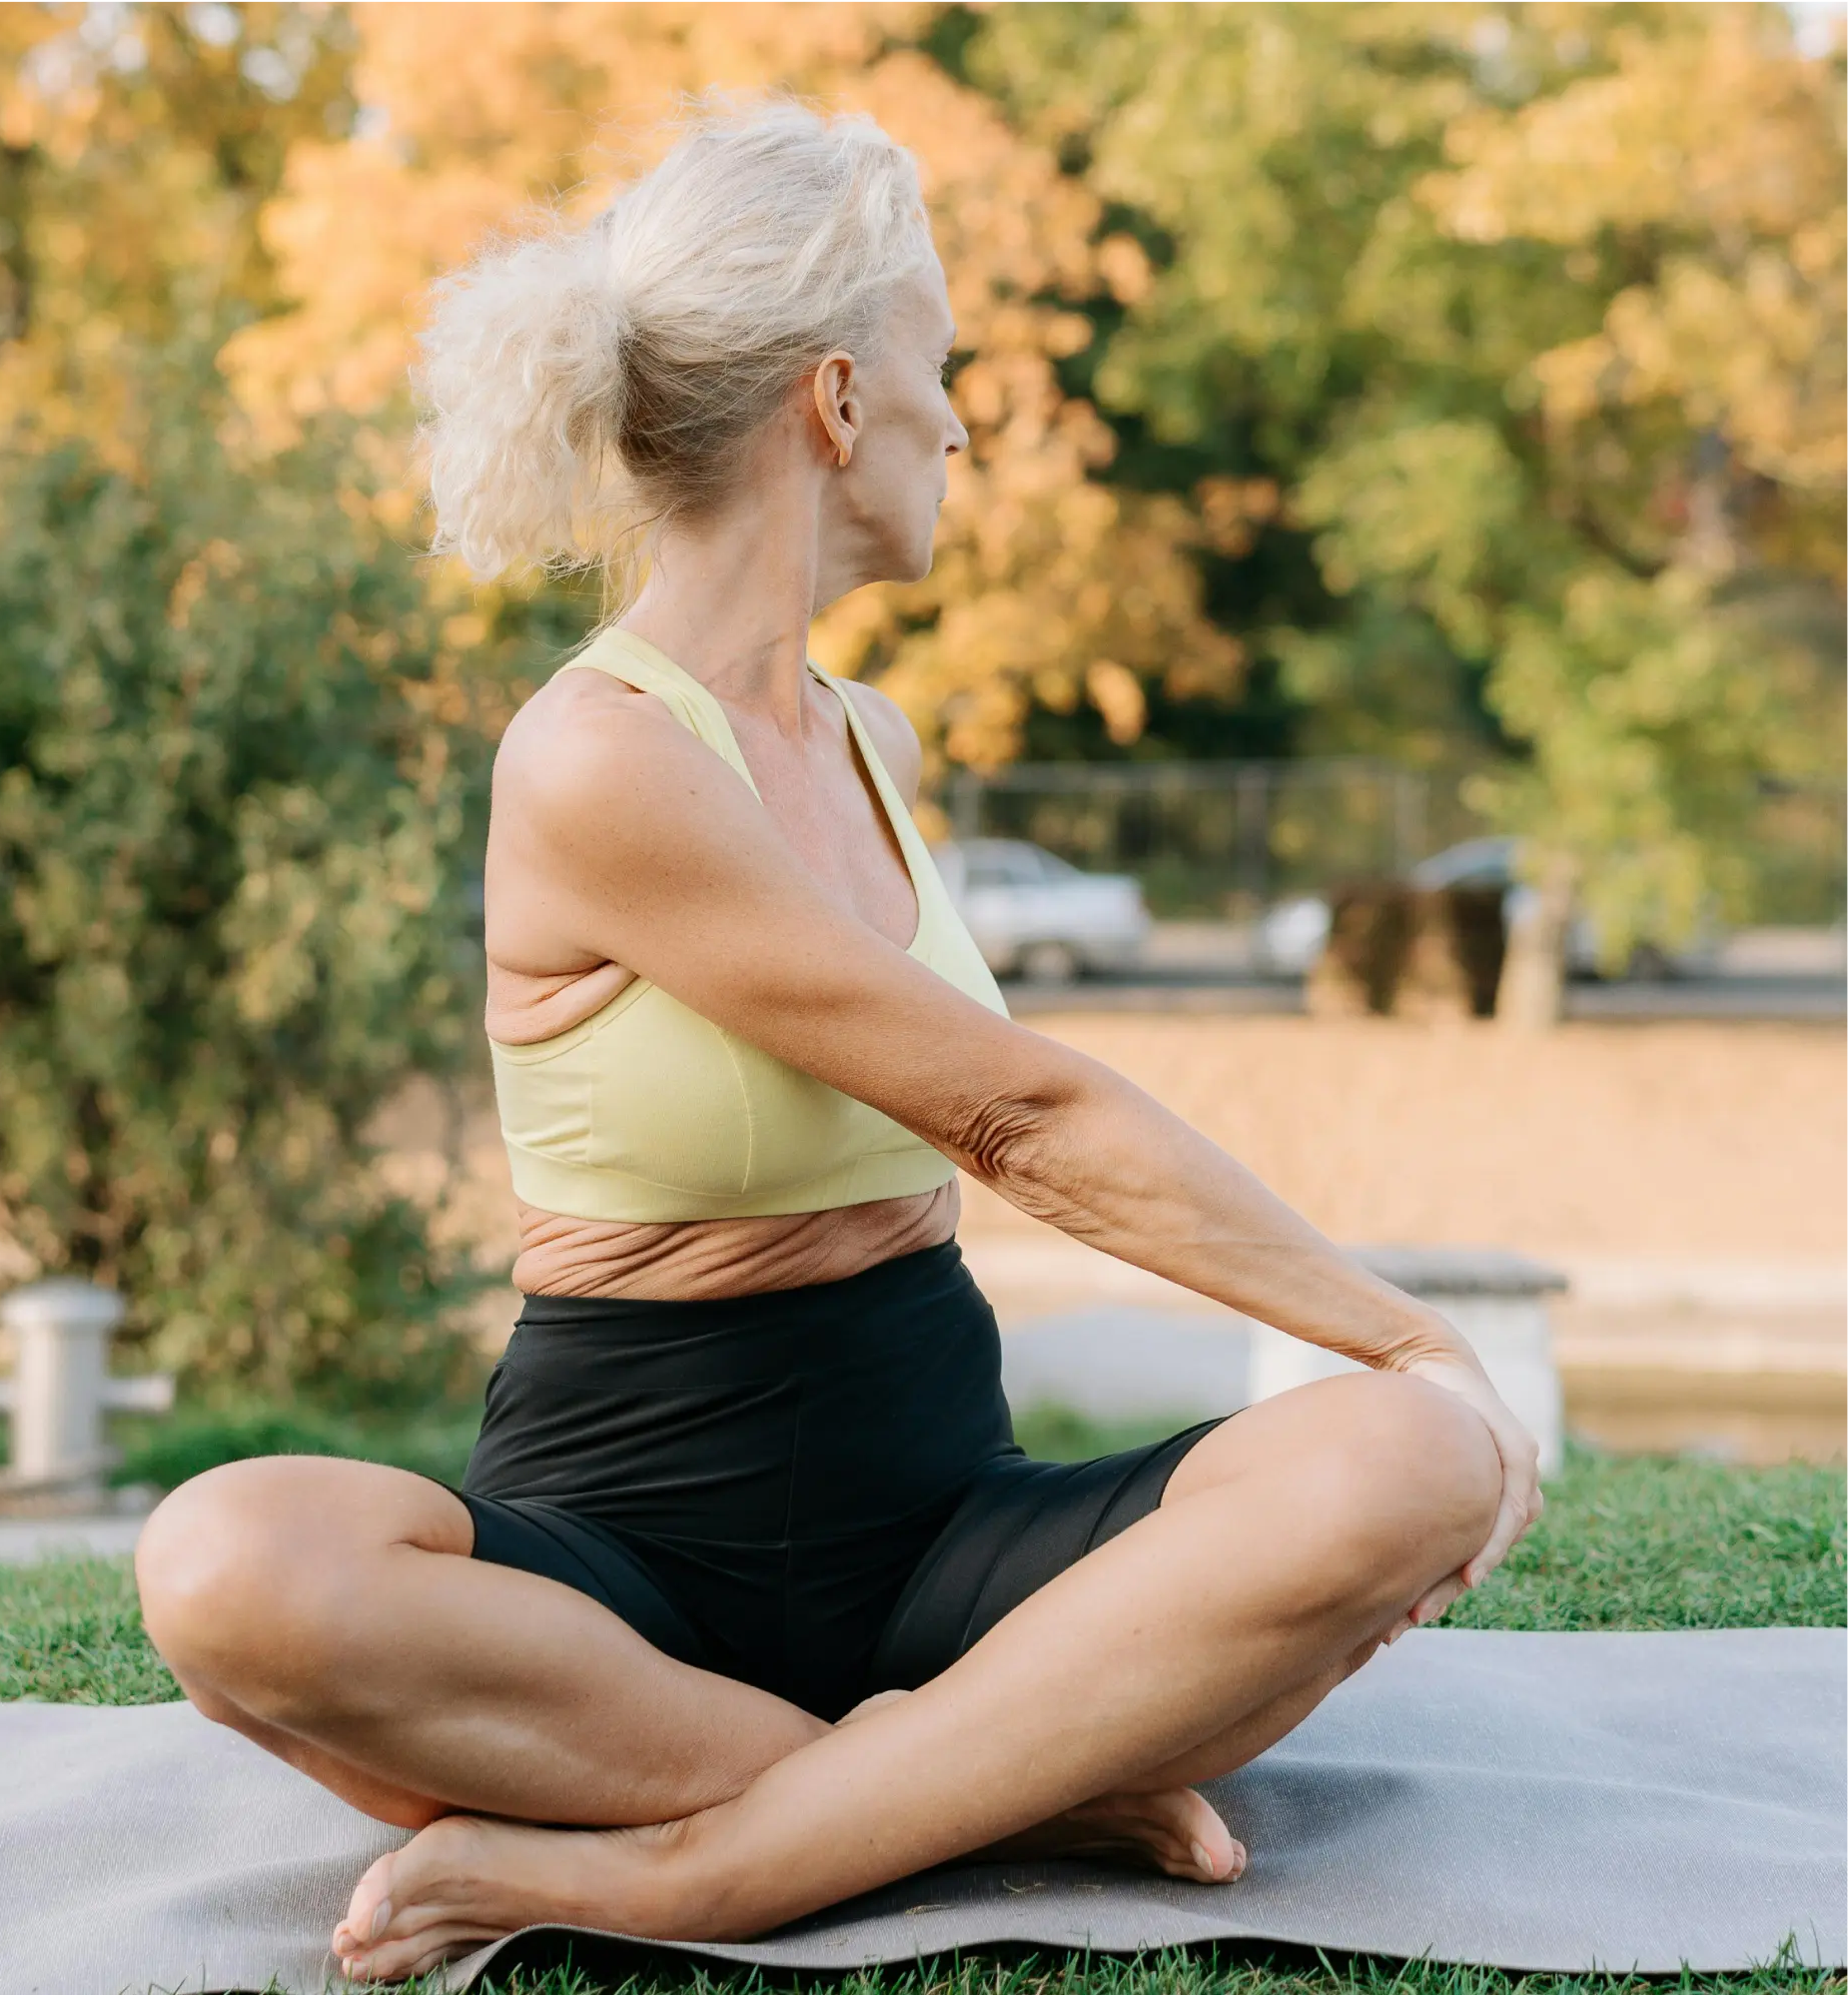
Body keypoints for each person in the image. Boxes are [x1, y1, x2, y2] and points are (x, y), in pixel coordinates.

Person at [133, 98, 1542, 1983]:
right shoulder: (598, 754)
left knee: (1394, 1470)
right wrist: (1410, 1333)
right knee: (231, 1568)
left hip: (939, 1514)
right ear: (837, 398)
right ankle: (938, 1808)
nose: (962, 420)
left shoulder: (870, 738)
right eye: (938, 365)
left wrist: (1409, 1405)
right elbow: (1018, 1115)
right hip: (622, 1554)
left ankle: (738, 1835)